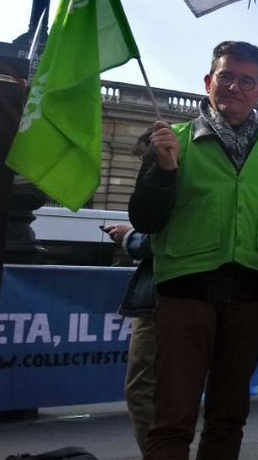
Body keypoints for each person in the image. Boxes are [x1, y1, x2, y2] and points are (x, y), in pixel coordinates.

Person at [129, 41, 258, 460]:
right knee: (173, 416)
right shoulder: (173, 141)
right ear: (209, 82)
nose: (235, 87)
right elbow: (145, 220)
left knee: (229, 415)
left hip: (251, 297)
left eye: (247, 80)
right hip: (185, 293)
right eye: (226, 77)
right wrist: (165, 171)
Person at [104, 130, 156, 454]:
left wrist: (127, 238)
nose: (143, 168)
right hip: (164, 298)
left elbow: (166, 243)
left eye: (145, 161)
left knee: (142, 390)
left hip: (160, 300)